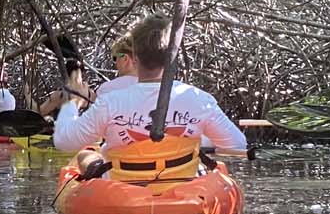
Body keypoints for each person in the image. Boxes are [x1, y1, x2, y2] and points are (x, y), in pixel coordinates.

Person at [52, 15, 246, 174]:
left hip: (124, 188)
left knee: (85, 155)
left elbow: (63, 142)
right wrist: (198, 136)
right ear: (173, 56)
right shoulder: (200, 100)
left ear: (134, 58)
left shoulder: (110, 103)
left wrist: (73, 103)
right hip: (181, 186)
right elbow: (237, 145)